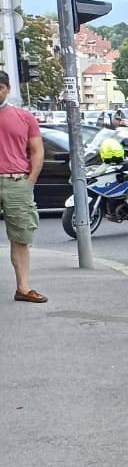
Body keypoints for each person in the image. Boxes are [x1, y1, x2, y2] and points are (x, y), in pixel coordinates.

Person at [0, 73, 45, 303]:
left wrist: (30, 181)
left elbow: (37, 150)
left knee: (20, 236)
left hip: (16, 181)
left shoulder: (24, 117)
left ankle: (23, 288)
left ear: (7, 89)